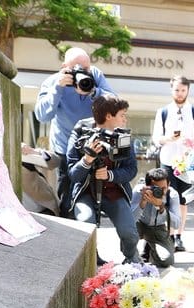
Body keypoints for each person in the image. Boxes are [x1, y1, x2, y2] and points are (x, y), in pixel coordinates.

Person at [34, 47, 115, 217]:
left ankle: (90, 236)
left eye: (85, 68)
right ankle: (68, 235)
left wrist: (94, 91)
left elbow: (114, 104)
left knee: (94, 198)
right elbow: (42, 115)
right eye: (76, 68)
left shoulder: (95, 76)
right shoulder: (53, 82)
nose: (82, 73)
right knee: (67, 197)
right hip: (65, 149)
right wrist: (58, 88)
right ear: (64, 66)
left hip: (93, 148)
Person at [67, 94, 141, 264]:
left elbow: (131, 169)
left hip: (114, 191)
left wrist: (110, 175)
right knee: (86, 225)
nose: (125, 119)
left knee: (129, 233)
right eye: (122, 115)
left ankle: (131, 256)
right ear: (109, 116)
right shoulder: (81, 132)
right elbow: (73, 174)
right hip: (85, 192)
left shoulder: (122, 136)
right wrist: (87, 160)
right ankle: (91, 258)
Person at [151, 75, 194, 253]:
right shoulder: (163, 111)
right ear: (171, 89)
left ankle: (179, 237)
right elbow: (156, 138)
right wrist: (169, 138)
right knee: (167, 200)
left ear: (188, 90)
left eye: (183, 90)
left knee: (182, 201)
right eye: (176, 90)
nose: (180, 93)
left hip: (187, 163)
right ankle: (168, 234)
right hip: (168, 161)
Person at [131, 167, 181, 268]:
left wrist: (161, 207)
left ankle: (152, 251)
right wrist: (142, 202)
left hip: (158, 228)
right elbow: (130, 220)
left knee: (167, 261)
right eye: (157, 189)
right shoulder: (139, 191)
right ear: (147, 186)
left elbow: (176, 224)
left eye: (164, 188)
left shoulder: (172, 195)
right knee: (127, 235)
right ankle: (131, 254)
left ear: (169, 185)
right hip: (139, 224)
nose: (161, 193)